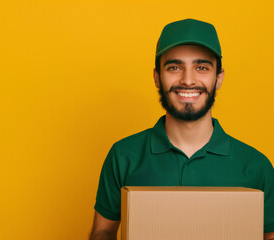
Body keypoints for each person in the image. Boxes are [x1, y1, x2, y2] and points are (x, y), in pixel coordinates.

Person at [89, 19, 274, 240]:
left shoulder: (256, 166)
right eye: (174, 67)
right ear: (157, 77)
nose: (187, 80)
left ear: (218, 78)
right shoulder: (123, 155)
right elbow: (103, 232)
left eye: (202, 67)